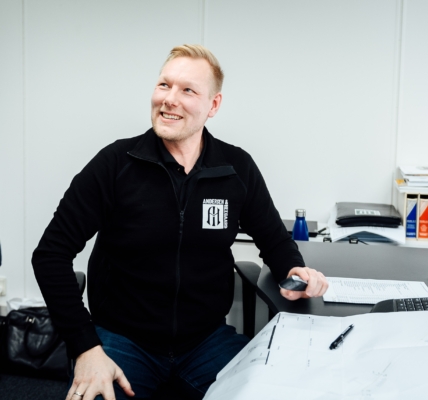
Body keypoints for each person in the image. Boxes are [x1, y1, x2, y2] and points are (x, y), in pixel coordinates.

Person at [32, 44, 328, 400]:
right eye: (164, 85)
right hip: (122, 341)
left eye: (188, 90)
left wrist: (294, 269)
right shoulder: (114, 164)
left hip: (206, 342)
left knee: (278, 392)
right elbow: (51, 254)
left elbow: (274, 239)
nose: (170, 99)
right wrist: (85, 347)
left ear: (213, 105)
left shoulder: (236, 168)